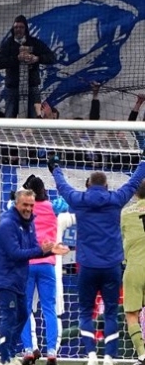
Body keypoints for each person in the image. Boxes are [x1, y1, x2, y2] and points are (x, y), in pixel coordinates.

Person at [51, 155, 145, 365]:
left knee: (85, 312)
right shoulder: (116, 199)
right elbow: (134, 182)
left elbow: (62, 186)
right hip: (112, 266)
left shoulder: (79, 200)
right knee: (111, 312)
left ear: (89, 184)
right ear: (106, 184)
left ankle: (92, 356)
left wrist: (55, 168)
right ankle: (110, 358)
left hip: (87, 266)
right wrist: (144, 161)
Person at [0, 189, 68, 365]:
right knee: (10, 317)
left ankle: (13, 353)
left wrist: (50, 251)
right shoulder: (7, 224)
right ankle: (5, 358)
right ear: (16, 204)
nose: (28, 209)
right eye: (25, 205)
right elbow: (14, 253)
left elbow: (33, 249)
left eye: (31, 205)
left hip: (20, 277)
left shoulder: (29, 223)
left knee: (23, 315)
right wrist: (42, 250)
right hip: (6, 279)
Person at [20, 176, 60, 365]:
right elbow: (69, 198)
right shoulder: (54, 206)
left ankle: (28, 350)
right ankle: (51, 351)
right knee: (49, 309)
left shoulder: (23, 208)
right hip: (47, 264)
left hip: (27, 263)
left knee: (24, 309)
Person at [0, 15, 56, 118]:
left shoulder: (35, 43)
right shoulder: (7, 44)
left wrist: (37, 58)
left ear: (26, 29)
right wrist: (16, 59)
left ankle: (32, 134)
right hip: (13, 87)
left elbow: (52, 57)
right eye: (16, 27)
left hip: (32, 87)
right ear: (13, 29)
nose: (18, 30)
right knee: (9, 118)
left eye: (21, 27)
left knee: (35, 118)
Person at [120, 180, 145, 365]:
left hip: (135, 267)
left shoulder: (125, 213)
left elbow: (121, 242)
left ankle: (143, 355)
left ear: (136, 194)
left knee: (132, 313)